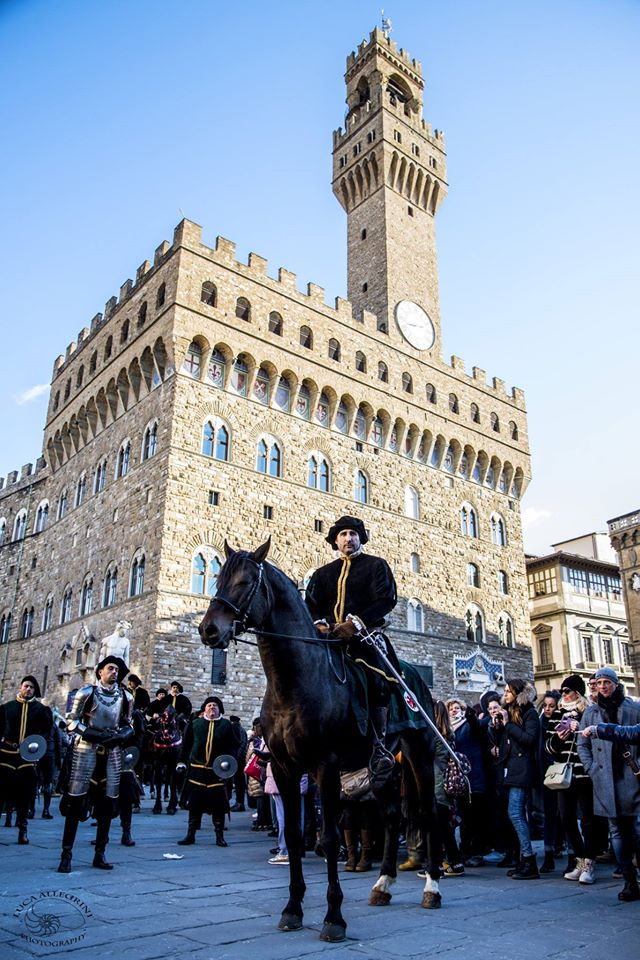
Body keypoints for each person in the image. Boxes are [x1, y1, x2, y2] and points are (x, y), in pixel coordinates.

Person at [305, 515, 397, 779]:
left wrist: (357, 623)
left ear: (360, 538)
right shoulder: (323, 574)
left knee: (379, 679)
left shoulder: (376, 566)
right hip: (329, 639)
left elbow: (386, 599)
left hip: (365, 638)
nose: (348, 538)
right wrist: (319, 623)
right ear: (335, 540)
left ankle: (379, 744)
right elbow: (310, 604)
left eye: (353, 534)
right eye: (343, 534)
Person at [57, 656, 134, 873]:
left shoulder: (126, 697)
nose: (114, 672)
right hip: (86, 750)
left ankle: (100, 853)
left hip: (112, 753)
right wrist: (91, 733)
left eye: (117, 669)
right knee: (75, 804)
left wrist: (121, 736)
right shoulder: (86, 693)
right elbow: (71, 720)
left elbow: (129, 723)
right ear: (100, 671)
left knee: (107, 806)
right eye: (110, 668)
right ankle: (66, 853)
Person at [577, 667, 640, 902]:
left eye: (607, 682)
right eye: (598, 682)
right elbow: (581, 744)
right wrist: (591, 768)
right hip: (604, 777)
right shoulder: (591, 712)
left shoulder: (633, 708)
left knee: (635, 829)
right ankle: (629, 880)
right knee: (616, 831)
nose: (602, 686)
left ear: (615, 683)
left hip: (630, 776)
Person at [545, 675, 597, 883]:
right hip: (563, 775)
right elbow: (548, 746)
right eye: (562, 691)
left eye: (567, 691)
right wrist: (559, 738)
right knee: (566, 818)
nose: (564, 695)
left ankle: (589, 863)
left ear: (577, 692)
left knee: (588, 820)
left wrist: (580, 731)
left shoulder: (589, 711)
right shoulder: (558, 713)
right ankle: (579, 859)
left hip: (584, 774)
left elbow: (596, 739)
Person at [488, 678, 541, 879]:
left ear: (518, 694)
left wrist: (508, 725)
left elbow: (529, 739)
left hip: (523, 769)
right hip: (509, 769)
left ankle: (529, 860)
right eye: (505, 691)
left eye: (509, 691)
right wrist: (497, 726)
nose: (505, 694)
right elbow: (500, 740)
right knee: (515, 814)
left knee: (516, 814)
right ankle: (523, 859)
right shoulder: (509, 712)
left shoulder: (530, 713)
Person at [177, 696, 236, 847]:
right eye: (209, 705)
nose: (212, 708)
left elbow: (233, 747)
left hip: (217, 772)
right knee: (194, 804)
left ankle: (219, 836)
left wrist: (229, 765)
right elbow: (186, 744)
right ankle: (190, 834)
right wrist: (182, 761)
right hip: (197, 770)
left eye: (215, 705)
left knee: (219, 806)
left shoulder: (226, 725)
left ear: (219, 709)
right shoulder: (195, 724)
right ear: (204, 708)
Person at [0, 676, 52, 845]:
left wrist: (36, 746)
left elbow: (46, 732)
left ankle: (23, 829)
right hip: (6, 753)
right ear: (20, 687)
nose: (28, 689)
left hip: (27, 756)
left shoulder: (40, 709)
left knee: (24, 794)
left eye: (31, 687)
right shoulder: (7, 708)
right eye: (26, 686)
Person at [445, 697, 487, 867]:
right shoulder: (447, 728)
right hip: (456, 779)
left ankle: (475, 851)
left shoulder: (468, 725)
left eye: (457, 708)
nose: (454, 710)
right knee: (461, 817)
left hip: (472, 777)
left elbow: (477, 729)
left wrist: (470, 715)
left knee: (474, 817)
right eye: (451, 708)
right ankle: (464, 850)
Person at [537, 690, 561, 873]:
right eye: (545, 705)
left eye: (551, 706)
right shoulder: (539, 722)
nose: (547, 709)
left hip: (562, 771)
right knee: (549, 814)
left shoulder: (562, 721)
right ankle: (549, 854)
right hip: (545, 773)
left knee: (564, 815)